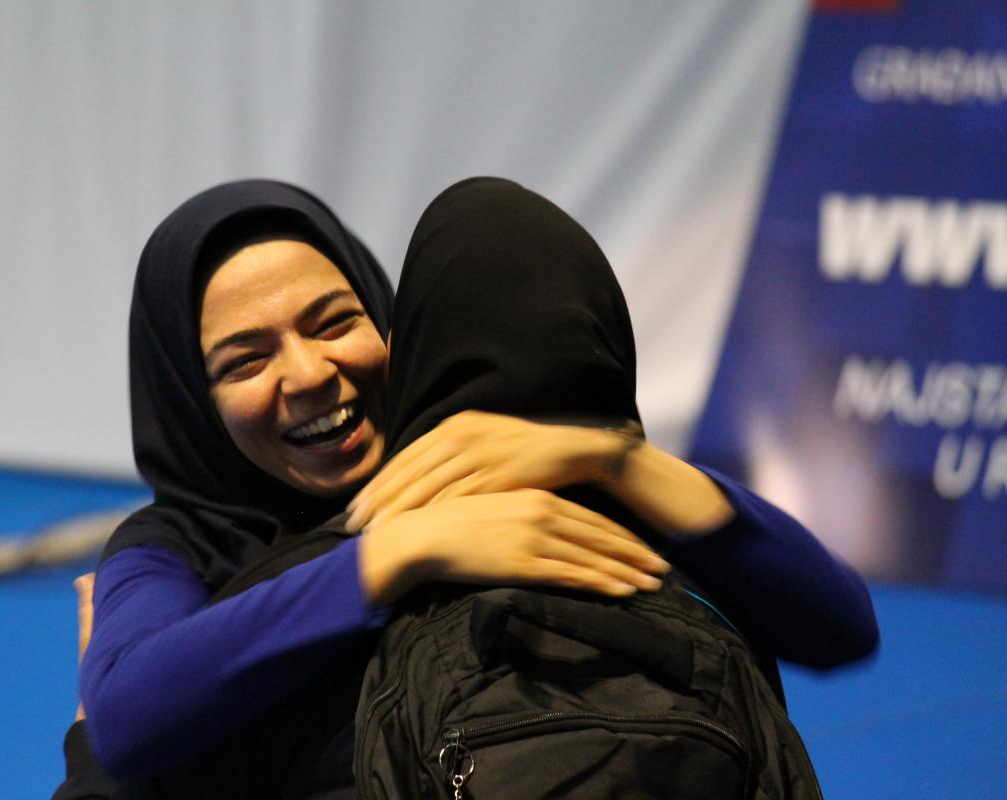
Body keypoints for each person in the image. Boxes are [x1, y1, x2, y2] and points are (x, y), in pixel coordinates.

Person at [59, 178, 876, 797]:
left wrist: (617, 460)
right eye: (246, 360)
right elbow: (129, 721)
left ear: (394, 324)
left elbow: (840, 622)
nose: (308, 374)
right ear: (188, 403)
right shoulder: (178, 545)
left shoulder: (522, 471)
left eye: (333, 322)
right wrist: (392, 556)